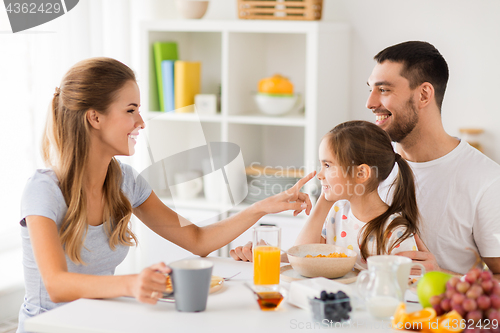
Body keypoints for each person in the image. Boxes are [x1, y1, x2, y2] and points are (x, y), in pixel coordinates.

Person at [17, 57, 315, 333]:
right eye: (131, 110)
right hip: (51, 326)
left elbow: (196, 240)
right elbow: (56, 284)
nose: (141, 122)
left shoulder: (125, 182)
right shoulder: (45, 190)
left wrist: (260, 208)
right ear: (95, 118)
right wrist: (133, 284)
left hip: (100, 322)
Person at [366, 41, 500, 276]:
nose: (370, 103)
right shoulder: (367, 168)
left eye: (384, 90)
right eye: (371, 89)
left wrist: (440, 275)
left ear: (424, 94)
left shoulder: (487, 181)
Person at [232, 120, 420, 269]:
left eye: (327, 165)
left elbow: (404, 288)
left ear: (361, 174)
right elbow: (303, 256)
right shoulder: (338, 212)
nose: (319, 174)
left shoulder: (395, 231)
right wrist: (324, 201)